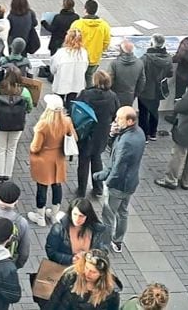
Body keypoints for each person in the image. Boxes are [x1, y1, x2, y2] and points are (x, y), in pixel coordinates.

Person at [94, 105, 145, 254]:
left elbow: (117, 165)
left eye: (119, 118)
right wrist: (114, 135)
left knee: (108, 215)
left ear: (130, 121)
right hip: (131, 182)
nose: (116, 120)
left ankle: (104, 245)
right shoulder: (138, 133)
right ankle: (118, 241)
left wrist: (107, 181)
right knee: (123, 212)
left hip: (118, 185)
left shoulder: (126, 142)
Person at [27, 94, 75, 226]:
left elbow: (35, 147)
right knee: (57, 186)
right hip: (59, 159)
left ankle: (40, 216)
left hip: (43, 160)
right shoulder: (66, 121)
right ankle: (54, 215)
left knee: (42, 188)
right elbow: (73, 138)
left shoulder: (43, 124)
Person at [76, 70, 120, 198]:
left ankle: (81, 190)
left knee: (83, 162)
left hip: (86, 132)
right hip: (102, 134)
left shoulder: (86, 94)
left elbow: (77, 109)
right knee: (97, 159)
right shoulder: (112, 96)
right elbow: (116, 113)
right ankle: (98, 189)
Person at [47, 249, 121, 309]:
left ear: (102, 274)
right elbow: (54, 300)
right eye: (86, 268)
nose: (87, 273)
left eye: (93, 272)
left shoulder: (111, 293)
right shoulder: (70, 277)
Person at [45, 198, 108, 266]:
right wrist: (71, 259)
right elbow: (51, 252)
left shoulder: (97, 230)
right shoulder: (59, 229)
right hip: (65, 269)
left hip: (88, 269)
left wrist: (92, 257)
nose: (77, 219)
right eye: (75, 214)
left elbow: (103, 250)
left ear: (88, 216)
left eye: (81, 216)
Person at [139, 33, 172, 140]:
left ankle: (144, 135)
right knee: (154, 110)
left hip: (145, 89)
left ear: (152, 43)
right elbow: (170, 74)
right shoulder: (168, 58)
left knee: (143, 112)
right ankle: (153, 133)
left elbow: (140, 73)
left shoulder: (145, 58)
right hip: (159, 90)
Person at [72, 0, 111, 84]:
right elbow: (106, 42)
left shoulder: (77, 24)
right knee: (89, 77)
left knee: (77, 78)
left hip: (79, 57)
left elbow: (71, 40)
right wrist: (100, 50)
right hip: (95, 58)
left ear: (85, 9)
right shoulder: (104, 25)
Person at [51, 28, 89, 106]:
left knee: (58, 103)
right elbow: (85, 68)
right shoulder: (84, 53)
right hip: (76, 83)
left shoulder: (61, 53)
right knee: (71, 102)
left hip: (61, 83)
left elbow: (53, 69)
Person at [108, 39, 145, 108]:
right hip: (130, 96)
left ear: (121, 50)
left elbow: (109, 81)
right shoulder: (139, 63)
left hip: (115, 96)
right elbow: (142, 82)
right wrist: (135, 94)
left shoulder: (114, 63)